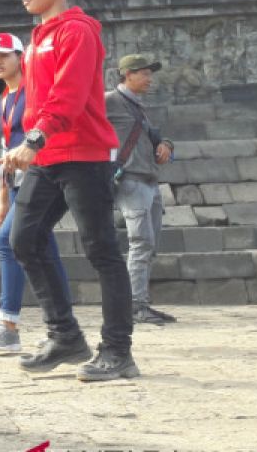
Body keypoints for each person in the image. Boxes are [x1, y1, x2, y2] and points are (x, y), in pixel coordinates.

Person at [0, 0, 137, 382]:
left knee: (101, 250)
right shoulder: (39, 36)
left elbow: (71, 96)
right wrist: (27, 142)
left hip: (83, 155)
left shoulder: (77, 31)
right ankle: (66, 336)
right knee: (23, 239)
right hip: (48, 156)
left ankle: (118, 351)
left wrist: (34, 139)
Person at [0, 32, 71, 353]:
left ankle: (8, 325)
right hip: (17, 184)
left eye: (3, 55)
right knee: (44, 247)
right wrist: (2, 198)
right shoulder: (3, 100)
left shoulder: (35, 93)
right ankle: (62, 326)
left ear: (20, 56)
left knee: (6, 242)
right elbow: (6, 151)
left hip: (41, 176)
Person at [106, 53, 177, 325]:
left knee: (150, 245)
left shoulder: (138, 106)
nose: (149, 79)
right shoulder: (110, 100)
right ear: (128, 75)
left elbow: (154, 135)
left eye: (150, 73)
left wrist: (166, 145)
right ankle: (135, 306)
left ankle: (141, 302)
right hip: (130, 179)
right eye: (144, 73)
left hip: (149, 179)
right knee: (141, 243)